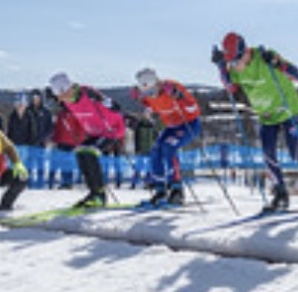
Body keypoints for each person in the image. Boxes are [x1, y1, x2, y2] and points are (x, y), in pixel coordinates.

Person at [212, 32, 298, 214]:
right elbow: (230, 87)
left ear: (245, 52)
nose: (235, 66)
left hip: (287, 110)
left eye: (236, 61)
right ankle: (280, 194)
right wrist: (221, 67)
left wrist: (278, 63)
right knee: (268, 153)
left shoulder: (264, 57)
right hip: (267, 116)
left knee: (296, 150)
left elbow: (297, 75)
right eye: (231, 63)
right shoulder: (235, 70)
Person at [48, 72, 127, 208]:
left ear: (69, 88)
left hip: (111, 130)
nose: (63, 98)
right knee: (80, 152)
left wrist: (106, 102)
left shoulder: (86, 92)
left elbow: (116, 106)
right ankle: (93, 192)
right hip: (94, 132)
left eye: (63, 94)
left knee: (90, 152)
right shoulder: (67, 102)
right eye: (59, 96)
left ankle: (100, 195)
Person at [131, 68, 202, 206]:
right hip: (171, 127)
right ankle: (160, 189)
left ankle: (176, 189)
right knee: (156, 150)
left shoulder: (171, 87)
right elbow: (152, 107)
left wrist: (179, 96)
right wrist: (143, 105)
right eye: (147, 93)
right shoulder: (148, 97)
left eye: (152, 91)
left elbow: (194, 108)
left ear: (157, 83)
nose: (151, 95)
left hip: (188, 124)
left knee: (169, 147)